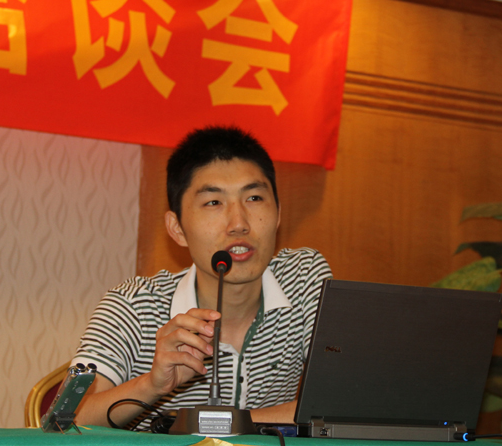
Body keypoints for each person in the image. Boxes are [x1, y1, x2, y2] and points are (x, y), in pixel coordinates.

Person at [72, 125, 332, 429]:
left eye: (254, 198)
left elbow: (345, 405)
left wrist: (219, 424)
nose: (239, 223)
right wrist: (151, 384)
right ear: (177, 229)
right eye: (213, 202)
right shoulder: (134, 305)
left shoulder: (303, 277)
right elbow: (69, 421)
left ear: (278, 215)